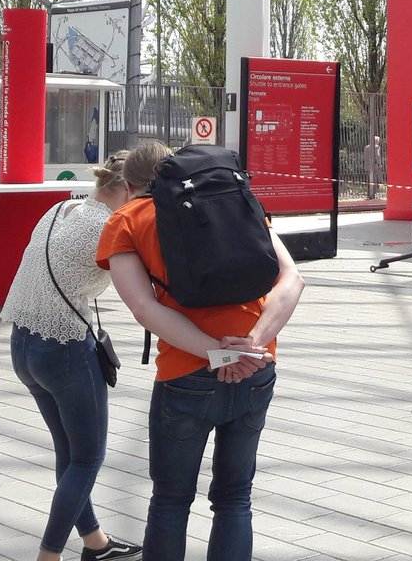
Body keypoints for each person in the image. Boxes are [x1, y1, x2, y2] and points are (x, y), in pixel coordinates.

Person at [97, 141, 305, 561]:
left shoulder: (127, 220)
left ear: (130, 182)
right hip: (257, 367)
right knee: (233, 498)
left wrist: (218, 354)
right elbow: (293, 281)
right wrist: (249, 348)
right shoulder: (238, 203)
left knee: (171, 500)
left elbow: (143, 307)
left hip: (185, 375)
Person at [0, 151, 142, 561]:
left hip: (23, 346)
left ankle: (94, 542)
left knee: (70, 453)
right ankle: (49, 555)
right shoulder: (112, 226)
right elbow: (141, 288)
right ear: (129, 190)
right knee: (87, 458)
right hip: (64, 351)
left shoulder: (59, 208)